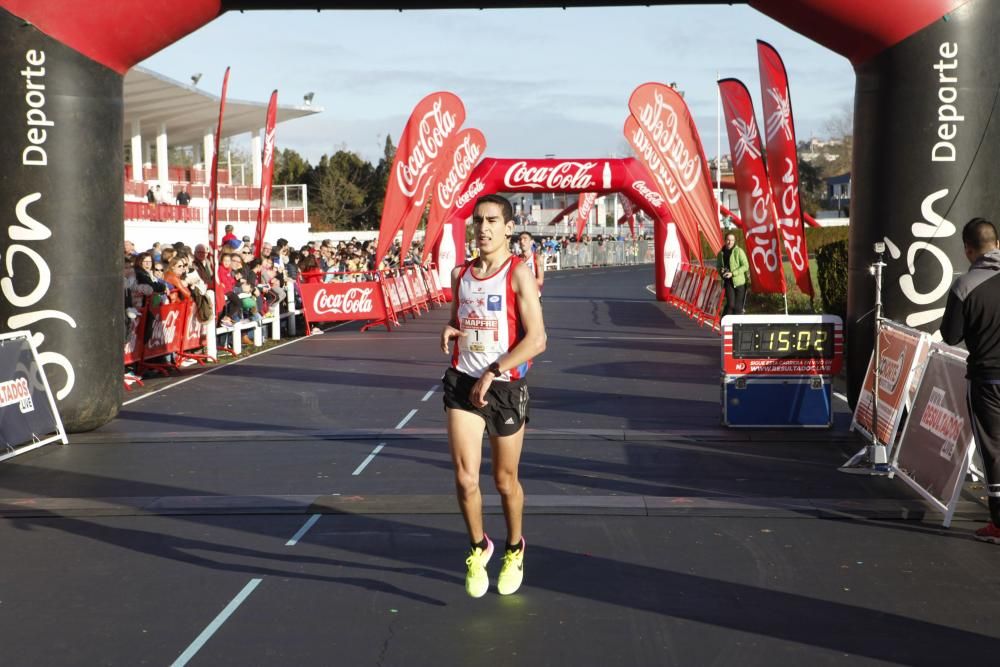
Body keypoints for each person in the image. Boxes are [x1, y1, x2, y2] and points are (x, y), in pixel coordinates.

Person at [440, 193, 546, 598]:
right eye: (477, 220)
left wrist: (494, 370)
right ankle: (477, 546)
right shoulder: (460, 274)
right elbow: (458, 319)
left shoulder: (518, 274)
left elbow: (537, 339)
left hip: (504, 386)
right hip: (463, 382)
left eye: (491, 221)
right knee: (466, 479)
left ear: (507, 228)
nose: (482, 228)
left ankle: (514, 547)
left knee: (504, 482)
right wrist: (451, 330)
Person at [941, 217, 1000, 544]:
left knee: (993, 450)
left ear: (968, 250)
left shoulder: (966, 285)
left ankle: (999, 522)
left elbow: (950, 336)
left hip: (987, 379)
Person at [717, 232, 749, 315]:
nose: (730, 242)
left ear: (734, 241)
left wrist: (733, 273)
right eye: (728, 240)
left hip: (740, 283)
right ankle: (724, 323)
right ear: (725, 240)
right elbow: (718, 266)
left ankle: (736, 327)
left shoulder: (739, 251)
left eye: (732, 240)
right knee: (731, 305)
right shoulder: (721, 253)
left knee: (738, 308)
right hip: (728, 282)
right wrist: (721, 271)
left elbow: (746, 266)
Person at [517, 231, 544, 296]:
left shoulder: (537, 258)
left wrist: (522, 283)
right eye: (520, 239)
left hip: (533, 296)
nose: (522, 241)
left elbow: (540, 281)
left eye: (525, 239)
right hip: (520, 297)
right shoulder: (516, 259)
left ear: (531, 242)